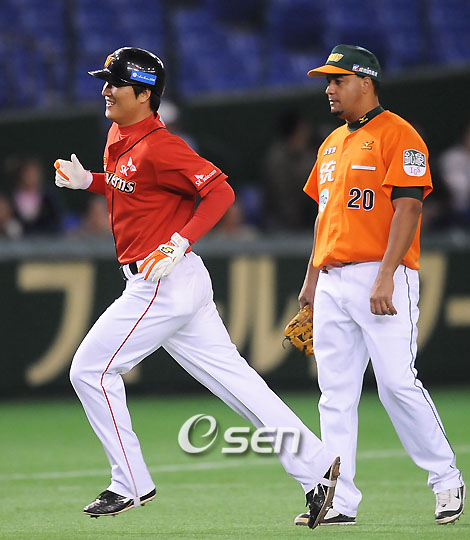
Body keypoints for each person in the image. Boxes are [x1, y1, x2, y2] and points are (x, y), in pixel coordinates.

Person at [53, 47, 339, 529]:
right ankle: (317, 468)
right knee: (238, 382)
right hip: (176, 281)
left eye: (115, 83)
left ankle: (130, 482)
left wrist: (179, 241)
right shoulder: (120, 135)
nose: (105, 90)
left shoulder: (161, 145)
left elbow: (221, 191)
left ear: (144, 95)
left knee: (90, 370)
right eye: (106, 80)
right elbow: (132, 186)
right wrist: (90, 183)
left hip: (161, 281)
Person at [293, 45, 465, 527]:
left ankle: (446, 478)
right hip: (331, 279)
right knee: (335, 393)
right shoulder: (331, 143)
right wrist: (311, 280)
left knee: (396, 383)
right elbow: (323, 217)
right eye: (327, 81)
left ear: (366, 82)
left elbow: (409, 208)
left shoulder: (400, 134)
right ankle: (339, 501)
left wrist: (387, 274)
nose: (329, 88)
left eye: (338, 79)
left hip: (381, 274)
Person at [262, 109, 319, 232]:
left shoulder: (308, 156)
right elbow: (282, 201)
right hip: (280, 225)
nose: (306, 135)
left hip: (307, 222)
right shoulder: (277, 159)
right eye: (302, 131)